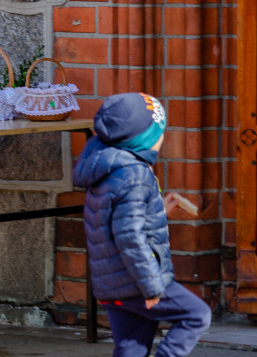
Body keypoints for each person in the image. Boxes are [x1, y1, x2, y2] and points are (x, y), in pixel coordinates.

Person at [72, 92, 211, 357]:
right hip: (137, 282)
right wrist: (152, 286)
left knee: (131, 348)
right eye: (160, 132)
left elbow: (116, 220)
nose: (162, 138)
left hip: (113, 283)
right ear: (144, 138)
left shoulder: (108, 166)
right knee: (197, 315)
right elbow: (130, 237)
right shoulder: (136, 174)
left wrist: (158, 210)